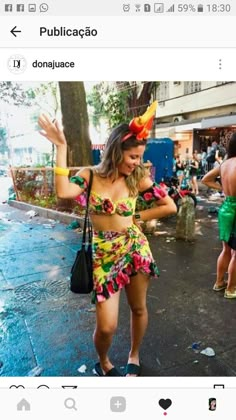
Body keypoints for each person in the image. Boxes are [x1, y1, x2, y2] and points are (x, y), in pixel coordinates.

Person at [38, 101, 177, 376]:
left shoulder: (137, 179)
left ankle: (134, 355)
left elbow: (169, 206)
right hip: (103, 254)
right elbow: (64, 191)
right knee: (106, 326)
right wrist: (61, 147)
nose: (138, 163)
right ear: (116, 151)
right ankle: (103, 362)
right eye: (133, 157)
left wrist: (137, 218)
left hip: (134, 248)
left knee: (138, 308)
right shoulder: (89, 175)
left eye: (140, 157)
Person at [202, 132, 236, 298]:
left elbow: (206, 179)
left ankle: (219, 282)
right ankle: (231, 289)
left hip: (226, 207)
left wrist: (223, 188)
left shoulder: (225, 164)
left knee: (226, 249)